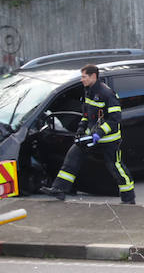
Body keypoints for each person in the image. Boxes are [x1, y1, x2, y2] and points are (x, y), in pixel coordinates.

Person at [41, 64, 136, 204]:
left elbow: (115, 119)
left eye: (84, 77)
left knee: (115, 166)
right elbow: (86, 114)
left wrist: (99, 133)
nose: (82, 79)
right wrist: (81, 129)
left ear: (93, 76)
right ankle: (59, 189)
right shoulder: (88, 91)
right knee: (72, 158)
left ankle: (129, 197)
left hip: (109, 140)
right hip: (90, 138)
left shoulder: (107, 94)